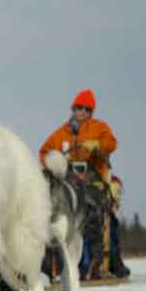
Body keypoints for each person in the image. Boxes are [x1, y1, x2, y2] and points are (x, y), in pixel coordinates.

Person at [40, 88, 118, 280]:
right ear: (73, 108)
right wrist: (54, 161)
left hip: (93, 181)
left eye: (86, 109)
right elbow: (44, 152)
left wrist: (98, 146)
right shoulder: (61, 133)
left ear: (91, 112)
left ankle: (94, 266)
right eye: (78, 107)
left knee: (93, 213)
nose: (81, 112)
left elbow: (111, 143)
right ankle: (53, 267)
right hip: (67, 182)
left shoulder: (99, 128)